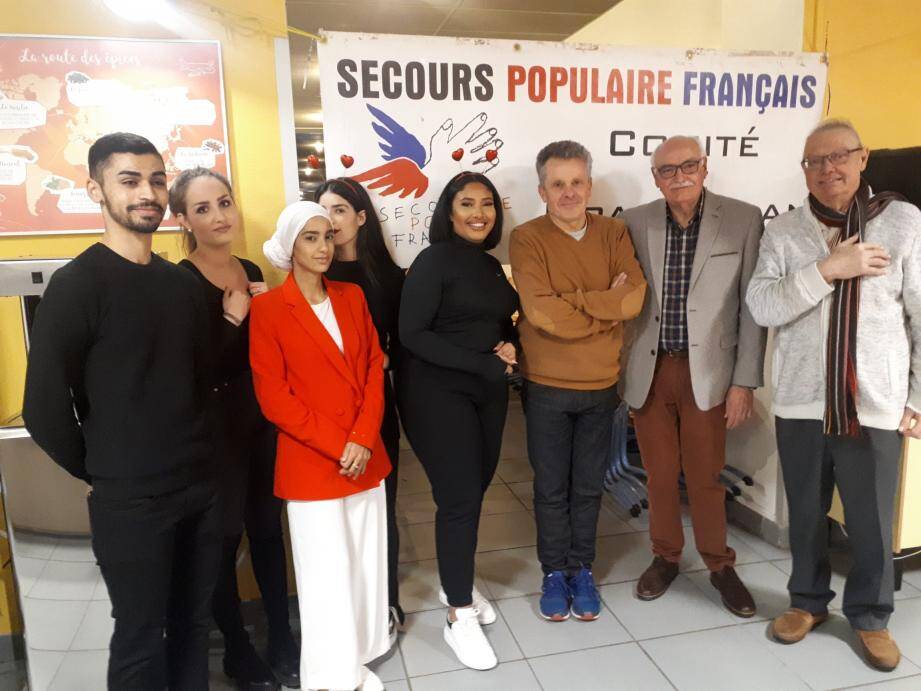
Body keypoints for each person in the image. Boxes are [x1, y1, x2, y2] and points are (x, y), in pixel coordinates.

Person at [22, 133, 220, 690]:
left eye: (157, 180)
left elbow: (199, 382)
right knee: (138, 635)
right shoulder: (77, 285)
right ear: (96, 190)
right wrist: (106, 469)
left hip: (200, 489)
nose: (147, 193)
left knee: (192, 627)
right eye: (129, 180)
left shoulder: (179, 284)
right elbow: (41, 409)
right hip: (130, 502)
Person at [746, 118, 921, 671]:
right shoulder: (784, 233)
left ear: (862, 157)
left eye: (839, 156)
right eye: (815, 161)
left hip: (874, 404)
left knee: (870, 521)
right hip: (801, 403)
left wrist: (917, 397)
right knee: (805, 513)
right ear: (804, 169)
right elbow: (763, 306)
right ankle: (808, 603)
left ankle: (871, 617)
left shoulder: (904, 223)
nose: (828, 169)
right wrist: (828, 268)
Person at [620, 135, 766, 616]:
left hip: (712, 374)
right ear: (655, 177)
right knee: (659, 475)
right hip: (650, 368)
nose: (678, 176)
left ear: (705, 167)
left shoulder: (743, 219)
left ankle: (720, 564)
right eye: (667, 170)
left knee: (705, 477)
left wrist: (744, 381)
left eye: (688, 166)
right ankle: (665, 557)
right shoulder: (634, 222)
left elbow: (751, 305)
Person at [249, 201, 391, 691]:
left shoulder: (351, 296)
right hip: (314, 463)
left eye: (328, 235)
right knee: (324, 575)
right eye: (310, 237)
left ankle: (363, 655)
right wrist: (341, 444)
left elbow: (375, 366)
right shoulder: (267, 309)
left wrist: (362, 437)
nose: (323, 246)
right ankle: (331, 676)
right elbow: (275, 399)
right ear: (290, 246)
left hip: (364, 455)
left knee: (365, 563)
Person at [170, 167, 299, 690]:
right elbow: (192, 372)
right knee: (222, 540)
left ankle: (283, 639)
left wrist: (269, 313)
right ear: (182, 219)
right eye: (202, 209)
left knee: (269, 533)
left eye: (223, 202)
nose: (219, 216)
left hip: (262, 420)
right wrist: (234, 320)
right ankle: (239, 651)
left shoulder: (248, 268)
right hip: (215, 431)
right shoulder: (179, 281)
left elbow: (272, 356)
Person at [509, 140, 646, 622]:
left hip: (600, 386)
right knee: (550, 487)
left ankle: (581, 569)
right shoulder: (526, 238)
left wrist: (579, 303)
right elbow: (542, 311)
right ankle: (553, 572)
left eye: (576, 182)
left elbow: (633, 298)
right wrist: (602, 308)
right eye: (557, 184)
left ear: (589, 185)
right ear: (542, 190)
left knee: (588, 487)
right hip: (546, 386)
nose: (568, 193)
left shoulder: (614, 232)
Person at [397, 171, 519, 670]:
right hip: (435, 394)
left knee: (476, 491)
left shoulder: (490, 265)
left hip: (486, 392)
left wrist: (512, 345)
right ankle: (458, 613)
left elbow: (500, 320)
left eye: (486, 204)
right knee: (460, 500)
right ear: (449, 211)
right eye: (466, 203)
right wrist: (485, 362)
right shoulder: (433, 261)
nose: (478, 213)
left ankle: (458, 585)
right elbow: (412, 334)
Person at [316, 177, 406, 638]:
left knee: (381, 506)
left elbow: (402, 346)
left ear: (361, 217)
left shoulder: (389, 278)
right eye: (322, 210)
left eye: (339, 210)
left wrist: (379, 359)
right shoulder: (315, 277)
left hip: (374, 406)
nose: (329, 221)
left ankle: (386, 599)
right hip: (326, 411)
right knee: (336, 508)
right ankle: (344, 602)